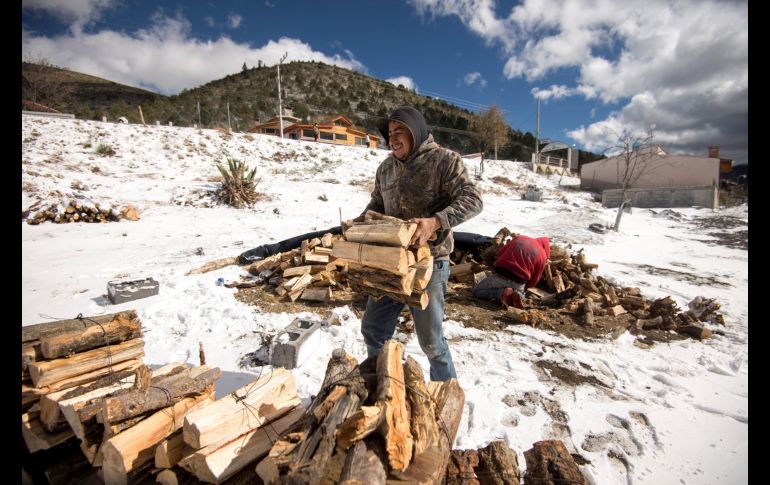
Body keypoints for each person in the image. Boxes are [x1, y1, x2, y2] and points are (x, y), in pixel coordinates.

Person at [354, 106, 483, 381]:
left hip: (430, 262)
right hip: (390, 262)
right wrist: (357, 225)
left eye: (399, 131)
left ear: (416, 130)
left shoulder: (444, 160)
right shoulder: (386, 168)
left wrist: (435, 222)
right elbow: (377, 204)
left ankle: (445, 393)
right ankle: (383, 387)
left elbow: (473, 200)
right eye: (389, 134)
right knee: (373, 329)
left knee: (431, 342)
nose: (393, 139)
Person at [473, 235, 551, 309]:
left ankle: (501, 293)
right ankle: (519, 295)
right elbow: (535, 279)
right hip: (519, 282)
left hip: (501, 275)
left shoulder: (520, 238)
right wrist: (525, 288)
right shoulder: (543, 256)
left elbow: (500, 253)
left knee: (477, 291)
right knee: (521, 295)